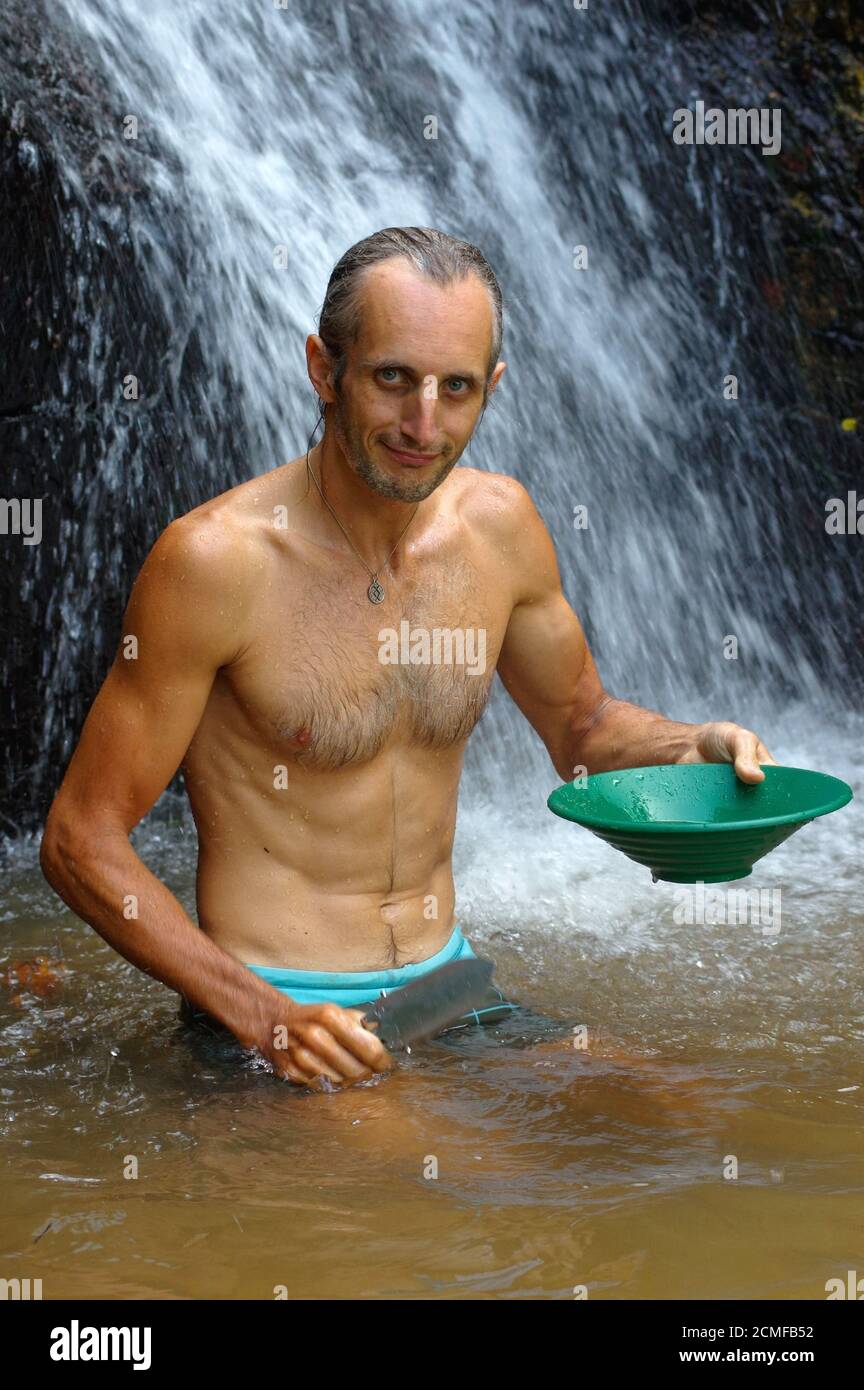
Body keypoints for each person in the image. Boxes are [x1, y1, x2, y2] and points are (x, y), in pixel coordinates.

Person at [40, 226, 778, 1089]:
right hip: (279, 1011)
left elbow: (584, 726)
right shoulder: (215, 563)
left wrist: (689, 747)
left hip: (451, 988)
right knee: (472, 1189)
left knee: (692, 1119)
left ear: (490, 389)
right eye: (393, 378)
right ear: (325, 368)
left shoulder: (500, 530)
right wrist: (264, 1021)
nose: (424, 424)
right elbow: (79, 839)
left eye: (456, 389)